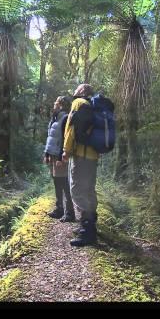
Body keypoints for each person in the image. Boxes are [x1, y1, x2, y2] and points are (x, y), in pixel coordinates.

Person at [63, 83, 99, 247]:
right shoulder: (93, 105)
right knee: (89, 189)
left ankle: (87, 232)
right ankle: (90, 226)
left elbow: (70, 129)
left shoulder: (78, 103)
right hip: (93, 155)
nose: (75, 90)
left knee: (77, 190)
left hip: (81, 155)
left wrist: (66, 150)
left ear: (82, 91)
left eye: (77, 88)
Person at [43, 96, 75, 222]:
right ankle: (59, 209)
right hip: (52, 155)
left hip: (60, 156)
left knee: (64, 183)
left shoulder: (65, 118)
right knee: (57, 182)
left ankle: (70, 212)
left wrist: (62, 156)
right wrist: (46, 154)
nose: (54, 106)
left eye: (55, 103)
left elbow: (65, 139)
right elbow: (50, 138)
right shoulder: (54, 118)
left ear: (61, 105)